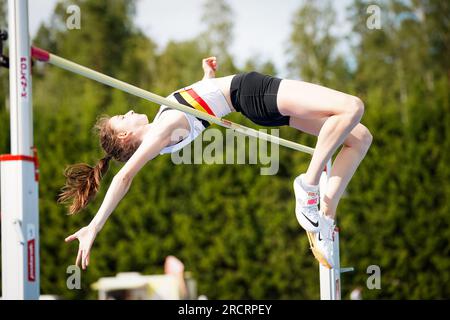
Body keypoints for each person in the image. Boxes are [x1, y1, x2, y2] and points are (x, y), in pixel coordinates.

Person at [60, 56, 372, 270]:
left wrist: (207, 76)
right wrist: (95, 226)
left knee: (359, 137)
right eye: (122, 118)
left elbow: (200, 101)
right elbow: (124, 177)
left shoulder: (163, 120)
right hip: (251, 91)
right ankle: (308, 185)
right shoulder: (161, 132)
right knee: (351, 107)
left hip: (249, 102)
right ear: (126, 133)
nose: (128, 111)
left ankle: (325, 213)